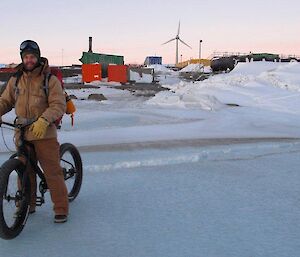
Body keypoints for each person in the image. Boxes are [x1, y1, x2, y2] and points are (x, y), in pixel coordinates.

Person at [0, 40, 69, 223]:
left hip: (44, 132)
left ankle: (61, 208)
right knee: (25, 172)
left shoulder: (49, 80)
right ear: (22, 59)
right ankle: (26, 205)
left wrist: (44, 120)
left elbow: (58, 104)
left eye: (32, 56)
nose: (29, 60)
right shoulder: (16, 79)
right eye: (26, 57)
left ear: (37, 57)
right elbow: (5, 101)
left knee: (52, 172)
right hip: (22, 132)